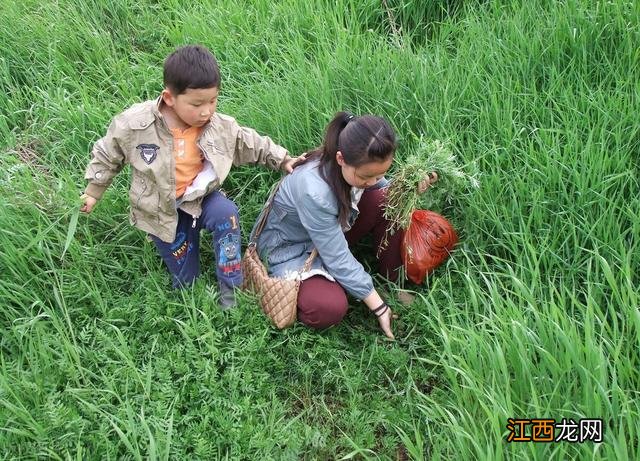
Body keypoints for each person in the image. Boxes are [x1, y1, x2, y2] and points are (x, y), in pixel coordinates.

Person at [80, 45, 300, 308]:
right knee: (187, 280)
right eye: (197, 104)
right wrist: (93, 193)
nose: (206, 111)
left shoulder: (218, 126)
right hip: (162, 209)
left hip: (200, 198)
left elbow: (249, 143)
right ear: (170, 98)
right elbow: (108, 154)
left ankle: (229, 285)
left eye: (213, 101)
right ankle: (186, 272)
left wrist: (284, 159)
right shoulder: (135, 125)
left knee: (226, 214)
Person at [251, 112, 436, 338]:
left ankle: (391, 283)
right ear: (341, 159)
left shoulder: (356, 165)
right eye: (366, 177)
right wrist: (379, 307)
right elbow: (336, 257)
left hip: (328, 234)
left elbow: (382, 188)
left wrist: (410, 188)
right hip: (291, 249)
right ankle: (339, 287)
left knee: (390, 201)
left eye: (380, 174)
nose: (372, 182)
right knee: (328, 308)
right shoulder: (314, 191)